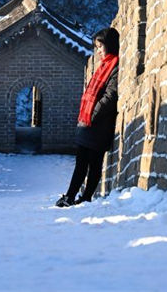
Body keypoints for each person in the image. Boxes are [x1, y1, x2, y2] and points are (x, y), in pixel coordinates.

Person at [56, 27, 119, 207]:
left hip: (99, 124)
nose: (98, 51)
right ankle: (71, 196)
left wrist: (93, 114)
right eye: (97, 47)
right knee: (81, 162)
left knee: (94, 163)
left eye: (100, 46)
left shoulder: (114, 67)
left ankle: (84, 197)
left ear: (110, 45)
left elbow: (110, 96)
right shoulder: (104, 66)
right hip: (89, 123)